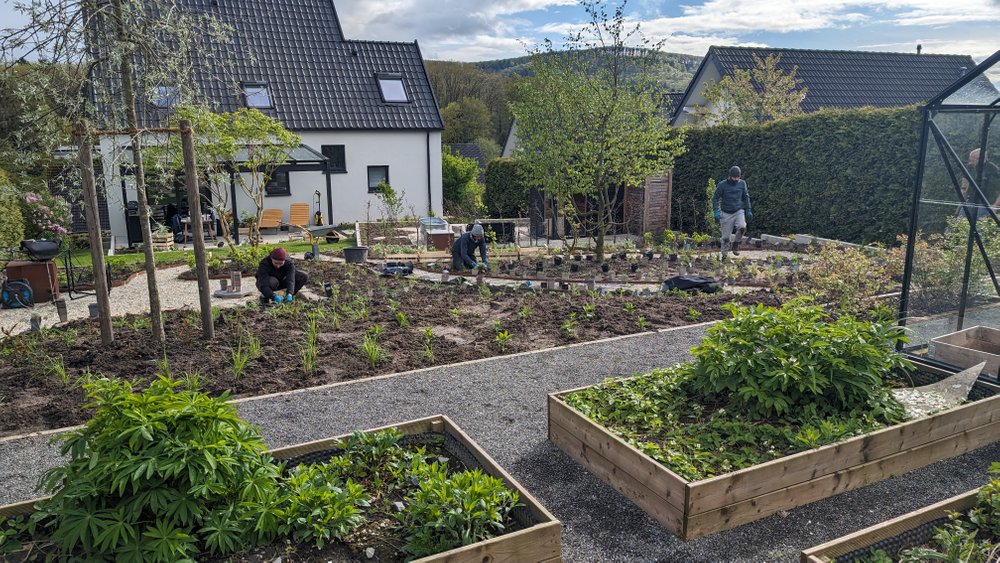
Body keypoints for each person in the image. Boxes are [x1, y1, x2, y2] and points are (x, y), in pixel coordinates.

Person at [712, 165, 752, 258]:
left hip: (738, 210)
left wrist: (748, 209)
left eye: (738, 177)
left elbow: (746, 197)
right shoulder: (722, 185)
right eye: (734, 177)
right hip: (726, 213)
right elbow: (715, 198)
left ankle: (736, 244)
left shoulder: (742, 183)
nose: (736, 179)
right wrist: (716, 211)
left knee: (742, 227)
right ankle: (724, 256)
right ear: (730, 176)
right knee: (725, 238)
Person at [959, 148, 1000, 218]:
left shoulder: (993, 170)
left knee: (979, 227)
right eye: (970, 160)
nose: (970, 162)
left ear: (980, 159)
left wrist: (995, 206)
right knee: (959, 224)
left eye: (973, 160)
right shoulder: (970, 167)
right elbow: (965, 179)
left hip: (986, 205)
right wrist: (963, 190)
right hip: (970, 202)